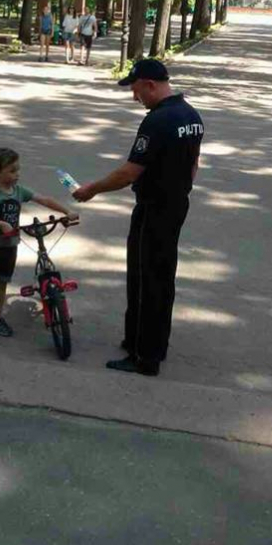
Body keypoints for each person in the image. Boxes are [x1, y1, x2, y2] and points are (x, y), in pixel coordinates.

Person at [73, 60, 204, 376]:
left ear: (149, 84)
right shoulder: (191, 116)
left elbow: (129, 173)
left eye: (135, 90)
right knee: (161, 275)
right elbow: (194, 165)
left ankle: (144, 357)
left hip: (154, 207)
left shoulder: (157, 121)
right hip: (175, 204)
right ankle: (147, 341)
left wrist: (92, 190)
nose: (135, 98)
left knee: (146, 279)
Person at [0, 147, 78, 343]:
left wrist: (66, 211)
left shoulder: (19, 191)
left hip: (10, 246)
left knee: (2, 283)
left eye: (18, 170)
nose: (17, 174)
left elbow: (44, 199)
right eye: (12, 170)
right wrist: (1, 224)